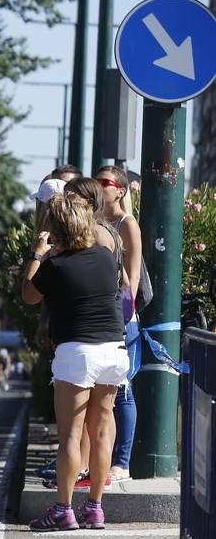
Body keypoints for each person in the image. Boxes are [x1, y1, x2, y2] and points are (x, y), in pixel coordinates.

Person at [21, 193, 127, 530]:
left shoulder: (54, 265)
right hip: (113, 348)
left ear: (57, 230)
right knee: (100, 432)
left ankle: (63, 510)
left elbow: (28, 294)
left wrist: (37, 253)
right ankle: (95, 508)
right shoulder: (106, 256)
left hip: (76, 352)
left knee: (70, 434)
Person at [96, 165, 145, 483]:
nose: (99, 187)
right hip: (97, 319)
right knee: (102, 393)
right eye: (96, 181)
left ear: (121, 190)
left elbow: (133, 282)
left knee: (123, 392)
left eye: (105, 183)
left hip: (122, 319)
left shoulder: (128, 225)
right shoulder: (96, 222)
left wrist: (123, 318)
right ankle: (101, 459)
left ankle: (122, 462)